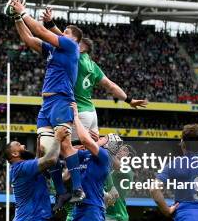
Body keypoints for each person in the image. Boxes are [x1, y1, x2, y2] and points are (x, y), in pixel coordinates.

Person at [9, 0, 84, 207]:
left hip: (61, 100)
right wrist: (17, 18)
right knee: (45, 147)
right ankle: (61, 192)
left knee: (65, 143)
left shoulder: (70, 47)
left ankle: (77, 188)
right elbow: (29, 39)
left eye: (65, 32)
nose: (60, 33)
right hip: (47, 104)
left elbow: (41, 32)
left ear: (73, 39)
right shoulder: (54, 50)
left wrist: (23, 10)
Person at [41, 7, 147, 140]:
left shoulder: (75, 57)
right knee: (91, 150)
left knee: (73, 149)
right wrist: (129, 100)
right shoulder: (94, 66)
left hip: (78, 111)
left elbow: (63, 39)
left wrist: (50, 23)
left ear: (82, 47)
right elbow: (111, 86)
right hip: (91, 112)